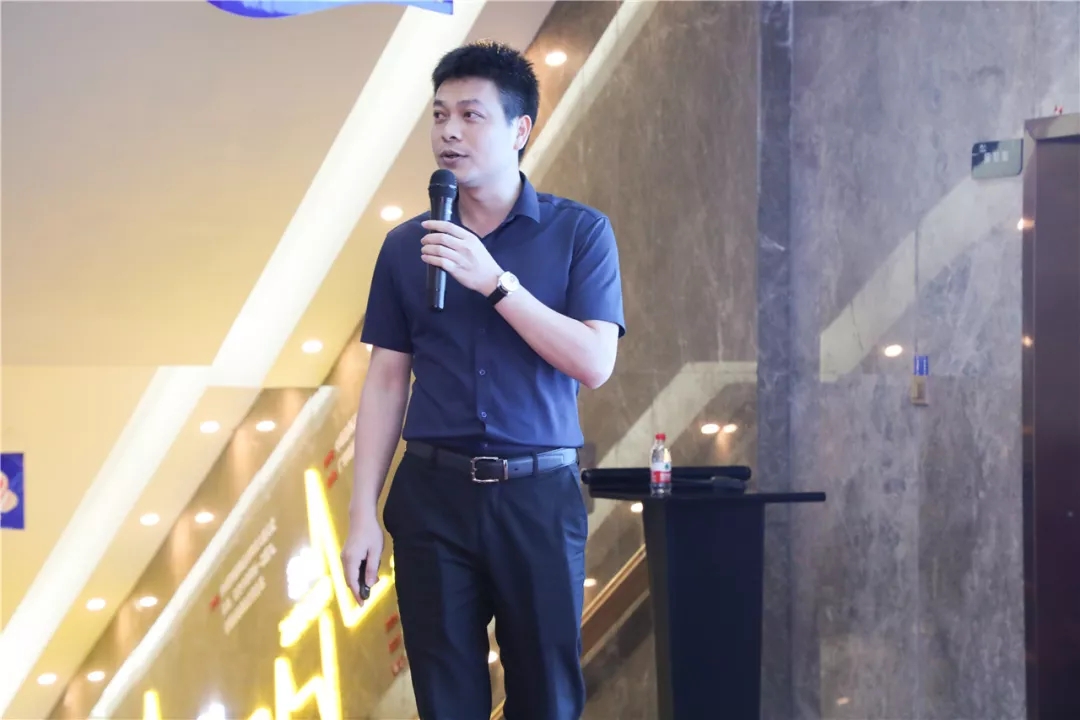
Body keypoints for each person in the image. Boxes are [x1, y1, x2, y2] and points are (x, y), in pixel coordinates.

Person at [341, 40, 625, 720]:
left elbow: (595, 361)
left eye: (471, 115)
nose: (449, 131)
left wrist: (497, 284)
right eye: (440, 115)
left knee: (548, 698)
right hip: (432, 497)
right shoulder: (406, 245)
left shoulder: (580, 233)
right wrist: (361, 514)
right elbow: (386, 381)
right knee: (446, 701)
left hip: (538, 494)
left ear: (520, 130)